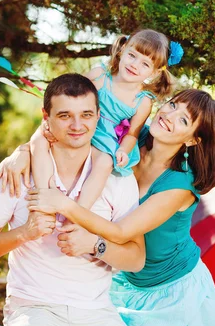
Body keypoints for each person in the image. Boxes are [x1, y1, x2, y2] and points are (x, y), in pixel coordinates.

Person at [22, 88, 215, 326]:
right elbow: (62, 132)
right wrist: (20, 155)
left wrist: (65, 206)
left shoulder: (179, 184)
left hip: (171, 288)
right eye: (171, 105)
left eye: (182, 118)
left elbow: (121, 232)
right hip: (125, 279)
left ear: (192, 139)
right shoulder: (132, 137)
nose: (168, 115)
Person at [0, 74, 151, 326]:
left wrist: (96, 244)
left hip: (95, 310)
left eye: (86, 115)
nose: (77, 125)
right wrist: (24, 233)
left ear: (99, 116)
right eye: (65, 115)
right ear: (46, 117)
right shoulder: (17, 171)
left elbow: (136, 257)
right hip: (34, 305)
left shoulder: (117, 180)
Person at [30, 29, 178, 218]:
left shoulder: (143, 101)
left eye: (145, 64)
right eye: (132, 55)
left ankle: (77, 213)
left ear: (155, 72)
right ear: (123, 50)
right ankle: (43, 195)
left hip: (105, 139)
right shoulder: (99, 75)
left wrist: (123, 150)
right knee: (40, 141)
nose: (135, 65)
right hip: (78, 126)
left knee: (105, 162)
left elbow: (132, 133)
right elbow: (70, 94)